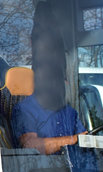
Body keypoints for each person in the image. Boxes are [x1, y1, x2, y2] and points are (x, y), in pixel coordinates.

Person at [14, 8, 85, 154]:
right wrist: (75, 140)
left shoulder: (70, 112)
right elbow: (31, 146)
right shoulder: (25, 110)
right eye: (51, 76)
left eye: (61, 77)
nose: (60, 82)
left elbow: (85, 139)